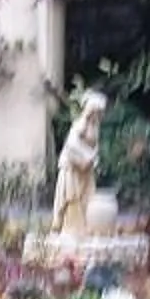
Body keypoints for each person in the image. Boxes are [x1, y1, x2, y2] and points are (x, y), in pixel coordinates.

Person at [51, 89, 108, 241]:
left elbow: (95, 146)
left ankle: (85, 228)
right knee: (73, 198)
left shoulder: (95, 126)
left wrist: (94, 157)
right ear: (91, 111)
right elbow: (71, 144)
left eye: (100, 113)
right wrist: (87, 155)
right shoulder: (81, 124)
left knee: (88, 198)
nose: (99, 116)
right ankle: (72, 230)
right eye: (97, 112)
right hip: (72, 168)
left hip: (85, 168)